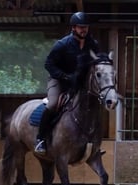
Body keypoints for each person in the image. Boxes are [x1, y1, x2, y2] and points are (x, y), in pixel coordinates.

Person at [34, 11, 99, 155]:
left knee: (92, 105)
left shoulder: (92, 44)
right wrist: (64, 76)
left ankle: (93, 144)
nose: (84, 30)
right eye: (80, 27)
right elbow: (49, 64)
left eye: (86, 27)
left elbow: (96, 62)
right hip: (58, 80)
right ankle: (40, 139)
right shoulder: (62, 44)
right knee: (52, 104)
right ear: (73, 28)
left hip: (80, 83)